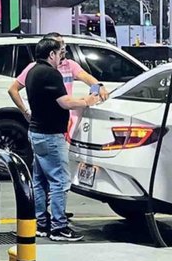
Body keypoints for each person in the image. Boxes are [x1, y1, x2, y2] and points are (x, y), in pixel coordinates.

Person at [8, 36, 106, 242]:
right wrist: (87, 101)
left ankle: (41, 224)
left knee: (40, 180)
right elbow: (65, 102)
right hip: (51, 135)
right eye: (60, 52)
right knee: (60, 181)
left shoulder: (33, 71)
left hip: (36, 132)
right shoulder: (51, 74)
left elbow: (87, 81)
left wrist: (96, 88)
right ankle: (59, 227)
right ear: (51, 53)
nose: (63, 55)